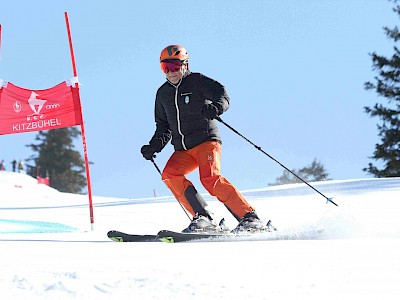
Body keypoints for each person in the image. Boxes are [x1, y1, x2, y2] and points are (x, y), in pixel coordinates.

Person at [141, 45, 270, 233]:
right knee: (170, 174)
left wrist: (216, 108)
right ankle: (203, 218)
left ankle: (249, 217)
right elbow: (163, 127)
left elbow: (221, 94)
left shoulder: (197, 81)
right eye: (165, 68)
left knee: (210, 178)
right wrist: (153, 147)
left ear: (185, 65)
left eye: (175, 66)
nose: (170, 72)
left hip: (206, 142)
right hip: (183, 150)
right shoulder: (163, 93)